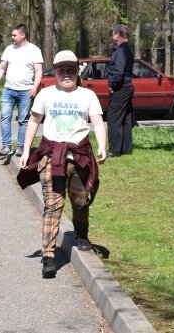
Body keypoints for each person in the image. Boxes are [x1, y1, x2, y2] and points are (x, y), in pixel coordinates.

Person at [18, 50, 107, 278]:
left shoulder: (87, 96)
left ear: (78, 72)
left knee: (79, 202)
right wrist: (27, 150)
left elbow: (97, 121)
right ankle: (48, 256)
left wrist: (102, 146)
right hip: (52, 157)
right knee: (53, 205)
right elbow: (34, 121)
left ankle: (81, 233)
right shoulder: (45, 95)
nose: (66, 74)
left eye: (71, 70)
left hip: (79, 156)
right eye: (61, 70)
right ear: (55, 72)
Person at [0, 24, 44, 158]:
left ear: (23, 35)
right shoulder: (9, 49)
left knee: (23, 120)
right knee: (5, 117)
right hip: (9, 90)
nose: (12, 37)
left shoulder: (34, 50)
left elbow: (38, 71)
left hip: (26, 91)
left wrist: (34, 87)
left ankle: (21, 147)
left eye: (14, 35)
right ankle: (6, 145)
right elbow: (2, 68)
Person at [106, 24, 134, 157]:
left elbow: (119, 71)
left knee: (113, 118)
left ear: (117, 34)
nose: (113, 36)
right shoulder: (127, 49)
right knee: (126, 119)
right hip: (127, 86)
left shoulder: (121, 50)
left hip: (121, 87)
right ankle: (126, 148)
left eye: (113, 34)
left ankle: (114, 150)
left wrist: (113, 85)